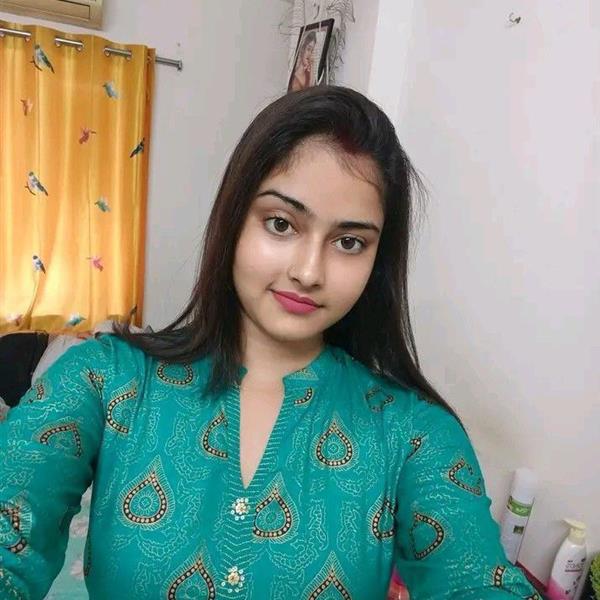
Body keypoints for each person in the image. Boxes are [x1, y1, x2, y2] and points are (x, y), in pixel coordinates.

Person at [0, 86, 540, 599]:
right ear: (234, 219)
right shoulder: (104, 380)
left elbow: (476, 580)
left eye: (349, 242)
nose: (309, 272)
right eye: (281, 224)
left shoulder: (414, 433)